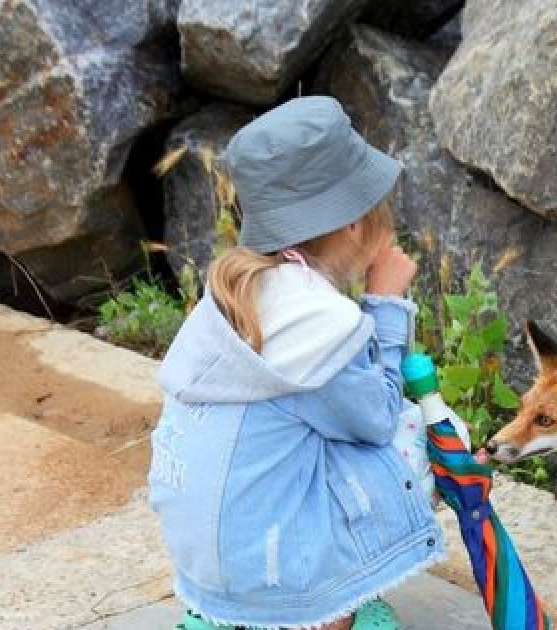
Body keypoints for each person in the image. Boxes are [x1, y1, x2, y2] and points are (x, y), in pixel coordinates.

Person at [148, 96, 437, 630]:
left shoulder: (233, 288)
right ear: (355, 223)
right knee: (416, 434)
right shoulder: (320, 321)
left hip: (207, 562)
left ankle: (233, 615)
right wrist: (386, 304)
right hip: (276, 575)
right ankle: (326, 615)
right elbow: (376, 419)